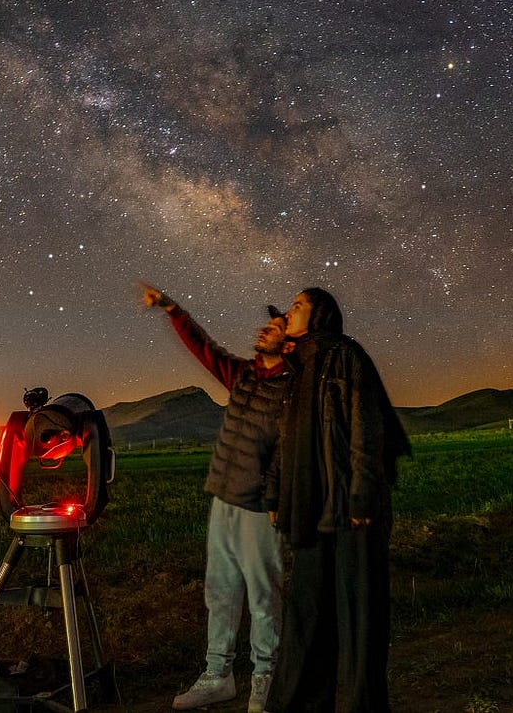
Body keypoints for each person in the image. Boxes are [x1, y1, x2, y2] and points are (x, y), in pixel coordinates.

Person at [142, 283, 293, 713]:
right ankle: (218, 676)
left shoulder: (292, 388)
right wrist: (172, 308)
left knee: (264, 595)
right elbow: (203, 347)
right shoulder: (243, 374)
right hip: (223, 498)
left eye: (276, 326)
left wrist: (276, 497)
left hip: (260, 506)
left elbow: (288, 448)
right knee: (220, 591)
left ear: (291, 340)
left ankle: (265, 679)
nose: (264, 330)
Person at [265, 288, 410, 713]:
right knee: (307, 613)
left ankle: (362, 705)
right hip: (310, 508)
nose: (288, 311)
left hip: (350, 508)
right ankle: (304, 703)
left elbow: (367, 425)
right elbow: (284, 437)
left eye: (297, 305)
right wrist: (276, 490)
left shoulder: (346, 356)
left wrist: (363, 494)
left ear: (320, 314)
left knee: (359, 615)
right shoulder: (294, 368)